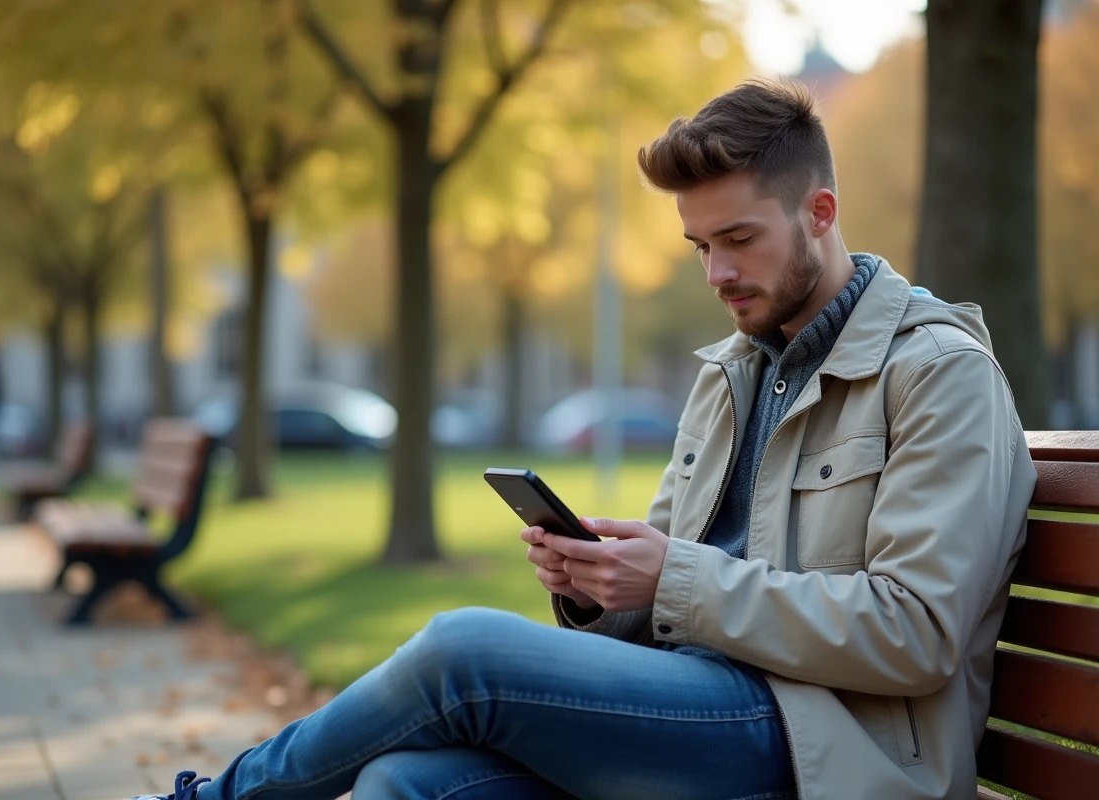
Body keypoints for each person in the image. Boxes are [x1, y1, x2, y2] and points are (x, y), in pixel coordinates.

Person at [132, 79, 1036, 800]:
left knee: (464, 653)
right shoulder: (733, 369)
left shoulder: (936, 373)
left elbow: (916, 634)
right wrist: (598, 587)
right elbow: (666, 591)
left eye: (739, 239)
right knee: (405, 782)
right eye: (697, 246)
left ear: (822, 212)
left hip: (829, 746)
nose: (718, 272)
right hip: (699, 709)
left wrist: (674, 576)